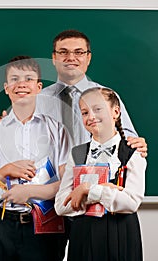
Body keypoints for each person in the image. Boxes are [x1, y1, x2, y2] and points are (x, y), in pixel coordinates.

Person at [0, 29, 147, 157]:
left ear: (88, 58)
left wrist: (136, 145)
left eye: (79, 52)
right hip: (46, 189)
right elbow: (12, 139)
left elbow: (128, 141)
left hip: (96, 184)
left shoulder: (107, 97)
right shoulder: (33, 100)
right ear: (54, 58)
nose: (71, 57)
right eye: (63, 52)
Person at [0, 56, 69, 261]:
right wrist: (5, 170)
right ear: (6, 88)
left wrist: (31, 191)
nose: (21, 84)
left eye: (28, 79)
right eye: (14, 79)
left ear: (39, 86)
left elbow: (67, 184)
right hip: (1, 224)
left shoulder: (57, 130)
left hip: (45, 222)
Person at [55, 87, 146, 261]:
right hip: (82, 235)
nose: (91, 117)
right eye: (84, 112)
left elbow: (131, 202)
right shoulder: (76, 154)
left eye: (98, 109)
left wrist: (88, 190)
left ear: (116, 112)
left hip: (120, 235)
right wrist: (103, 191)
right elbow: (61, 206)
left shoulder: (134, 152)